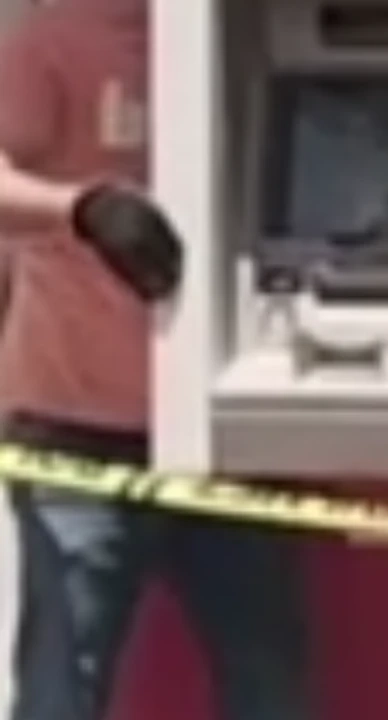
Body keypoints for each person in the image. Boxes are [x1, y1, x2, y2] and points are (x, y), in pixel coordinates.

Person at [0, 1, 314, 719]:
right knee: (62, 688)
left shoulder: (252, 30)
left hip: (230, 432)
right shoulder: (58, 37)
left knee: (269, 679)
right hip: (77, 438)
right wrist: (81, 208)